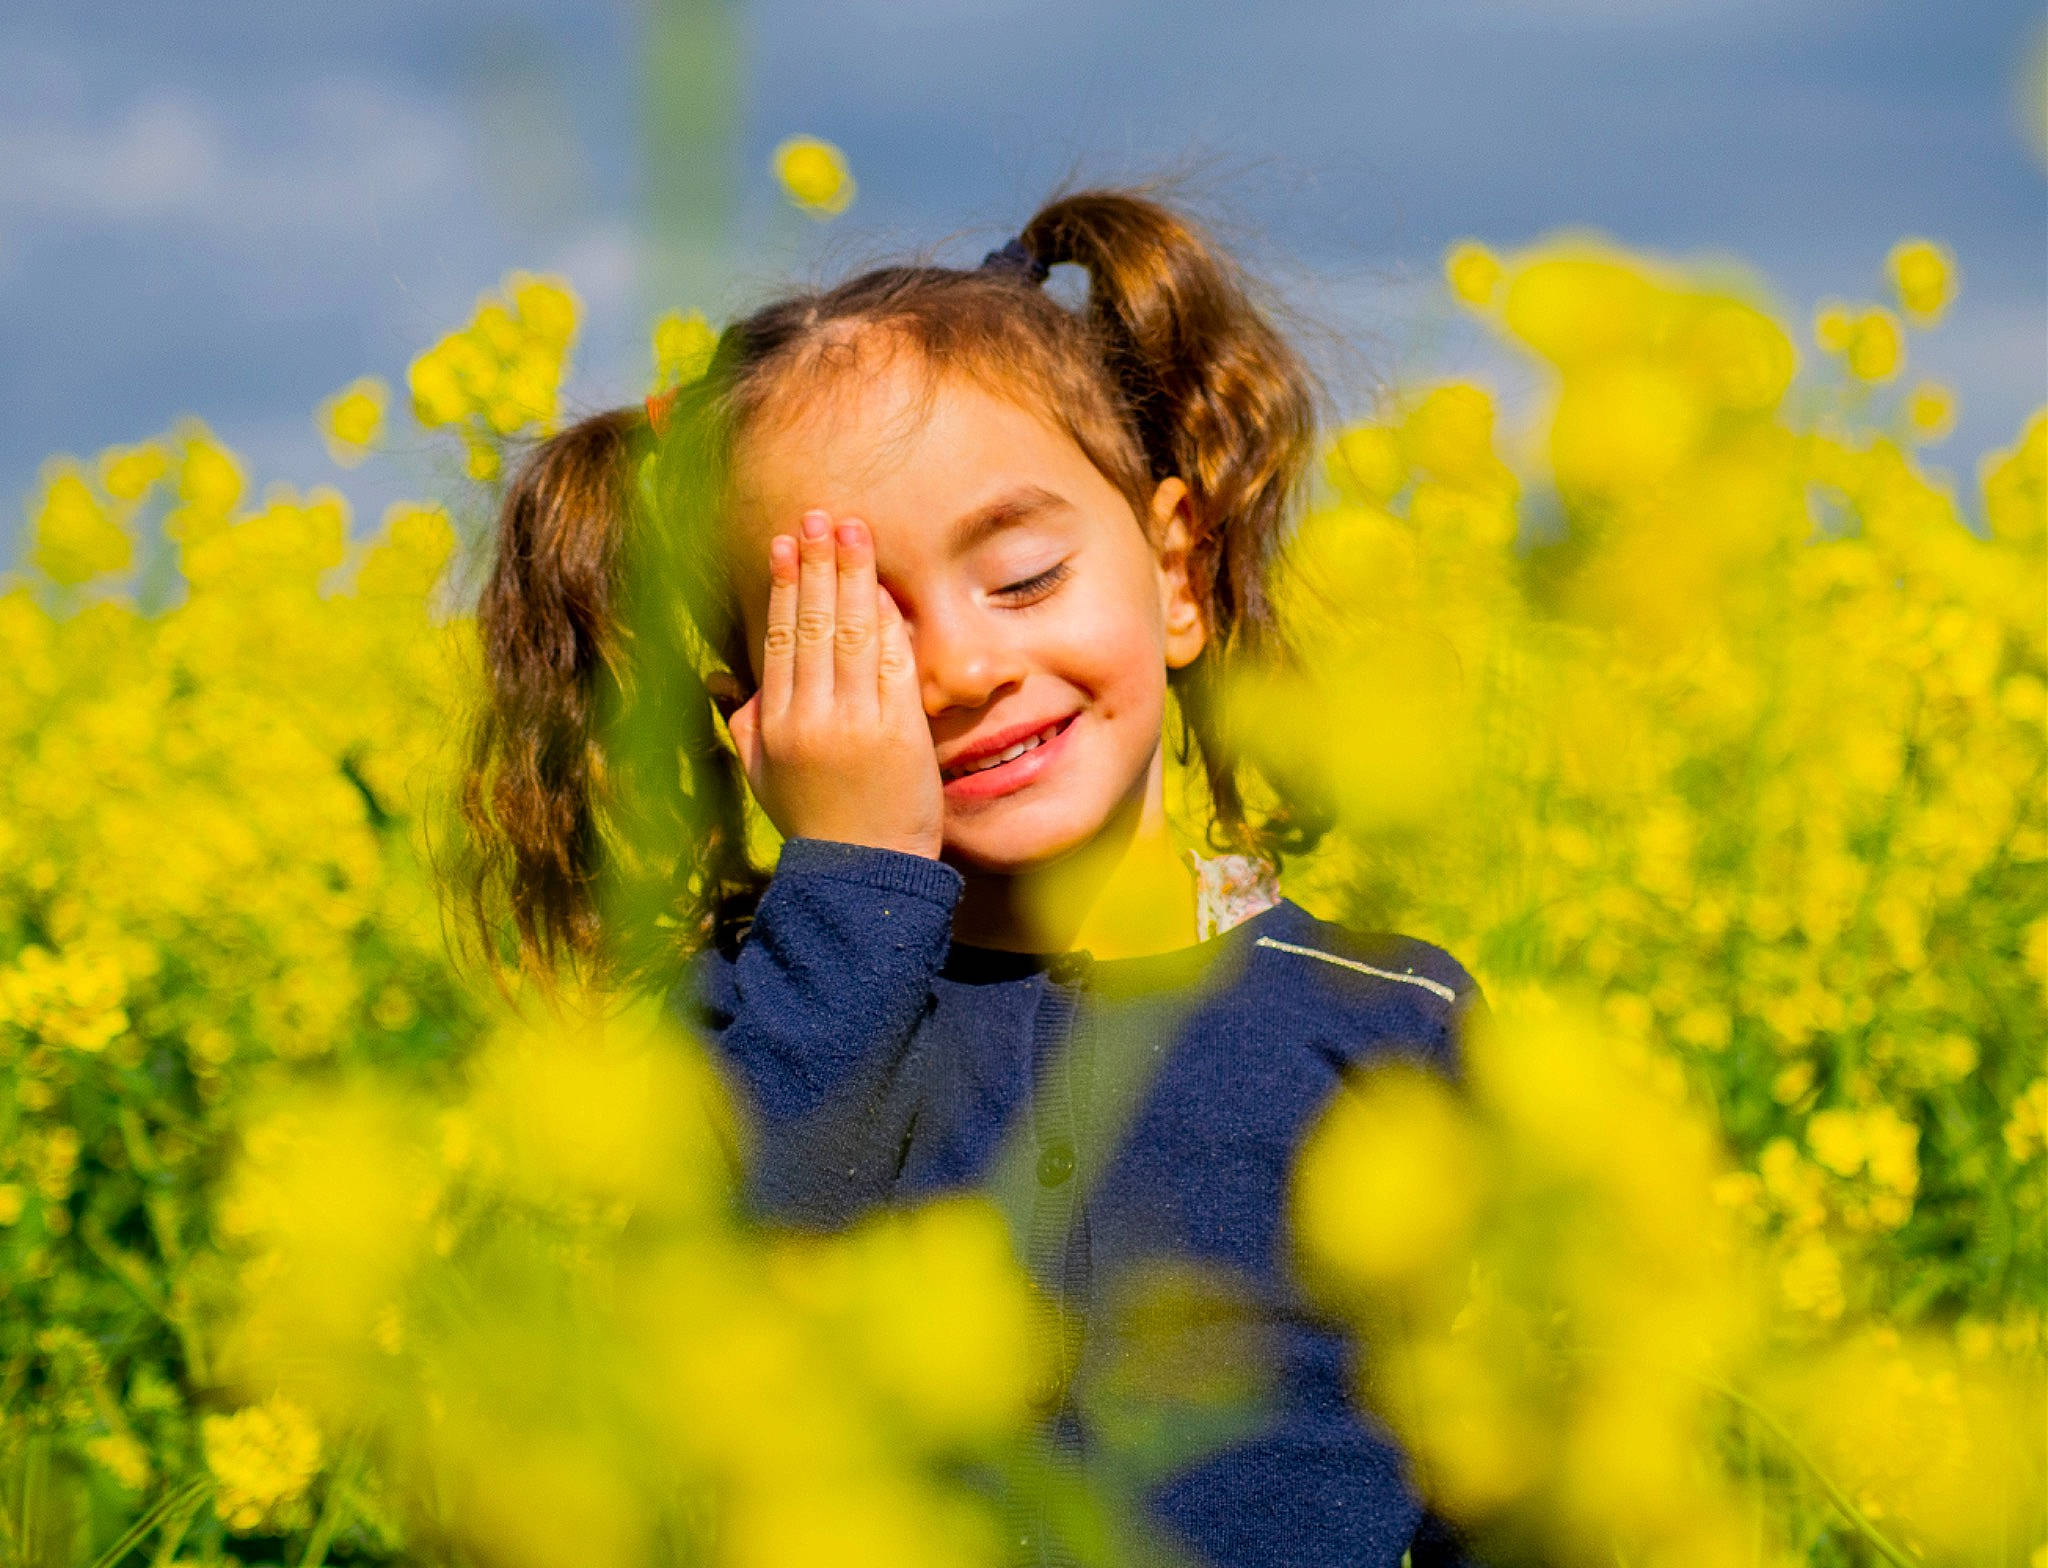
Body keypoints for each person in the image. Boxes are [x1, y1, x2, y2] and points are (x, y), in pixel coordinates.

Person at [461, 188, 1482, 1568]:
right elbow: (700, 1347)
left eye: (1022, 576)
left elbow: (1509, 1470)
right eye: (859, 638)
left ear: (1176, 573)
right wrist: (855, 881)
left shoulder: (1389, 1020)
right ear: (751, 710)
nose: (959, 667)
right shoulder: (753, 1027)